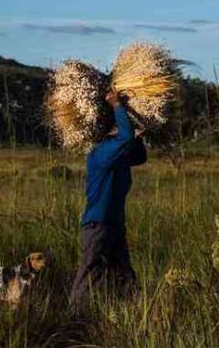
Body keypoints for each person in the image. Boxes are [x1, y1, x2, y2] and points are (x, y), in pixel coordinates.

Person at [69, 90, 147, 307]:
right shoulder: (101, 153)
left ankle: (137, 313)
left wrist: (139, 136)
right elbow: (126, 138)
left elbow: (140, 157)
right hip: (97, 226)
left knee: (124, 274)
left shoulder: (119, 157)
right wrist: (117, 106)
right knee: (89, 274)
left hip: (114, 225)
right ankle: (74, 318)